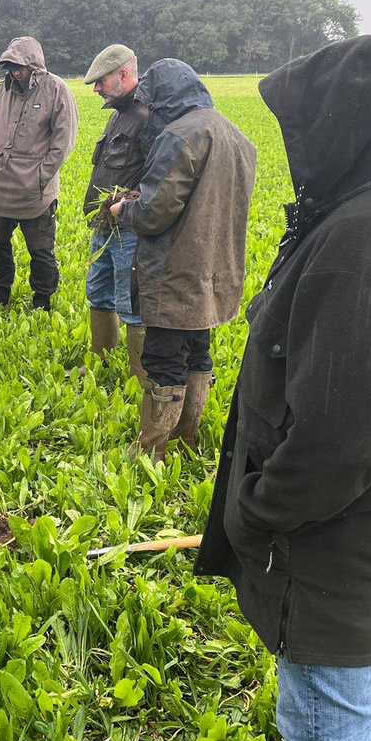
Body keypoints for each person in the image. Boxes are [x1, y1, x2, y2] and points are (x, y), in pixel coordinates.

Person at [195, 35, 371, 741]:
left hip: (332, 556)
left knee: (326, 725)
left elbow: (339, 440)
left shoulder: (357, 241)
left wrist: (259, 512)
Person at [111, 59, 255, 462]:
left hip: (176, 268)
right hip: (217, 268)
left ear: (165, 100)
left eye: (153, 105)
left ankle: (151, 451)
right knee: (198, 351)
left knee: (162, 359)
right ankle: (186, 440)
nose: (151, 113)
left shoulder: (180, 135)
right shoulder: (236, 136)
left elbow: (156, 212)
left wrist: (125, 210)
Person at [0, 36, 78, 310]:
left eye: (19, 65)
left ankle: (42, 300)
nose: (14, 71)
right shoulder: (4, 90)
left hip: (35, 191)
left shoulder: (56, 89)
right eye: (10, 65)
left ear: (33, 64)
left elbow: (63, 141)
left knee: (40, 250)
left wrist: (41, 177)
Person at [81, 44, 148, 375]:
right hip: (104, 226)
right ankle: (100, 363)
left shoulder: (149, 118)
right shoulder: (116, 117)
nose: (96, 88)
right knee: (98, 292)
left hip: (130, 230)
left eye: (100, 81)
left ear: (123, 74)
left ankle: (139, 378)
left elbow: (161, 178)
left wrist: (127, 205)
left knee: (133, 303)